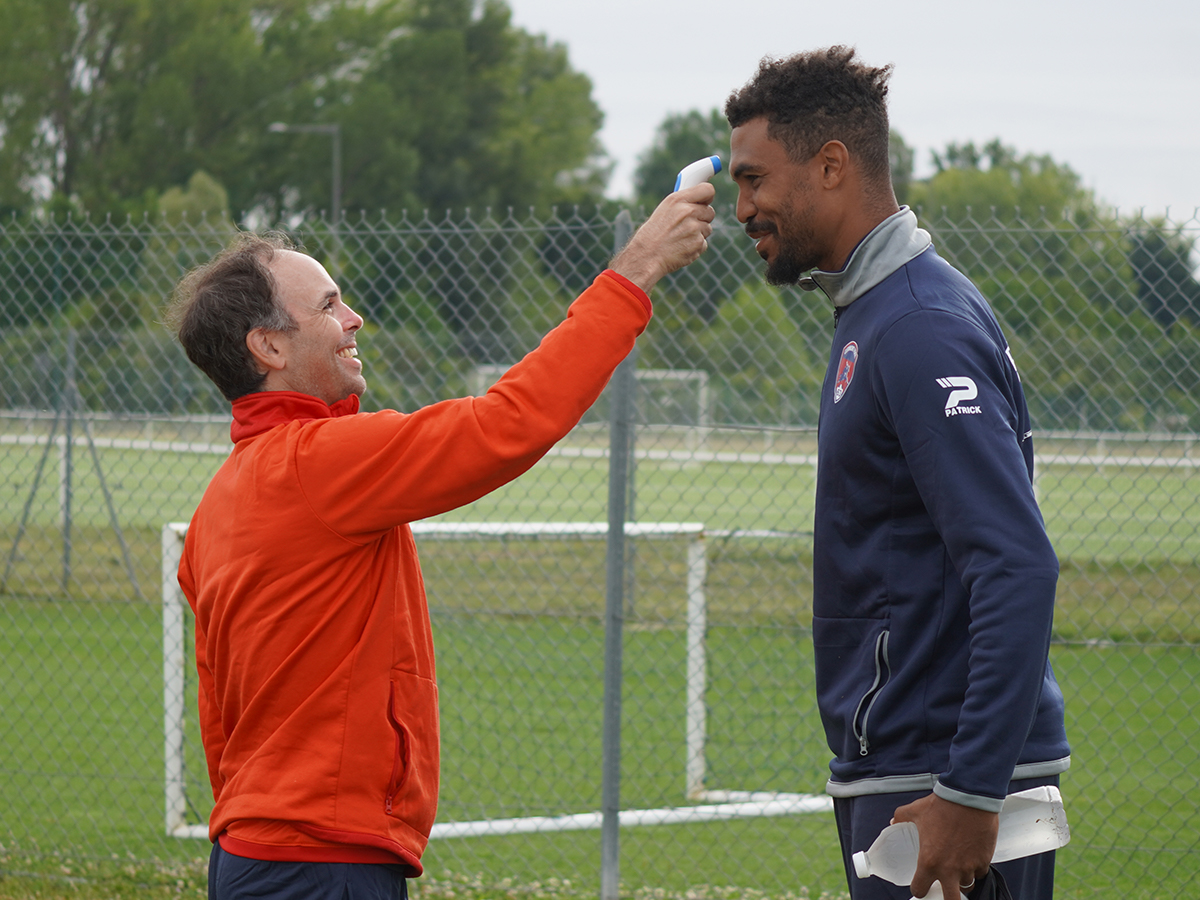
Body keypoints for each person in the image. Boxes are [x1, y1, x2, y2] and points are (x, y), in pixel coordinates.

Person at [165, 185, 715, 900]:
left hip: (253, 852)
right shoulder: (319, 462)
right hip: (321, 863)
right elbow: (509, 423)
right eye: (329, 306)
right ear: (268, 346)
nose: (354, 318)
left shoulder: (220, 502)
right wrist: (635, 270)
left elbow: (222, 717)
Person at [724, 47, 1070, 900]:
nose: (741, 208)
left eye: (754, 180)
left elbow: (1016, 563)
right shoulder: (875, 312)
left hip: (942, 780)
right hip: (910, 767)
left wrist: (971, 789)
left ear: (830, 165)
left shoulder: (918, 325)